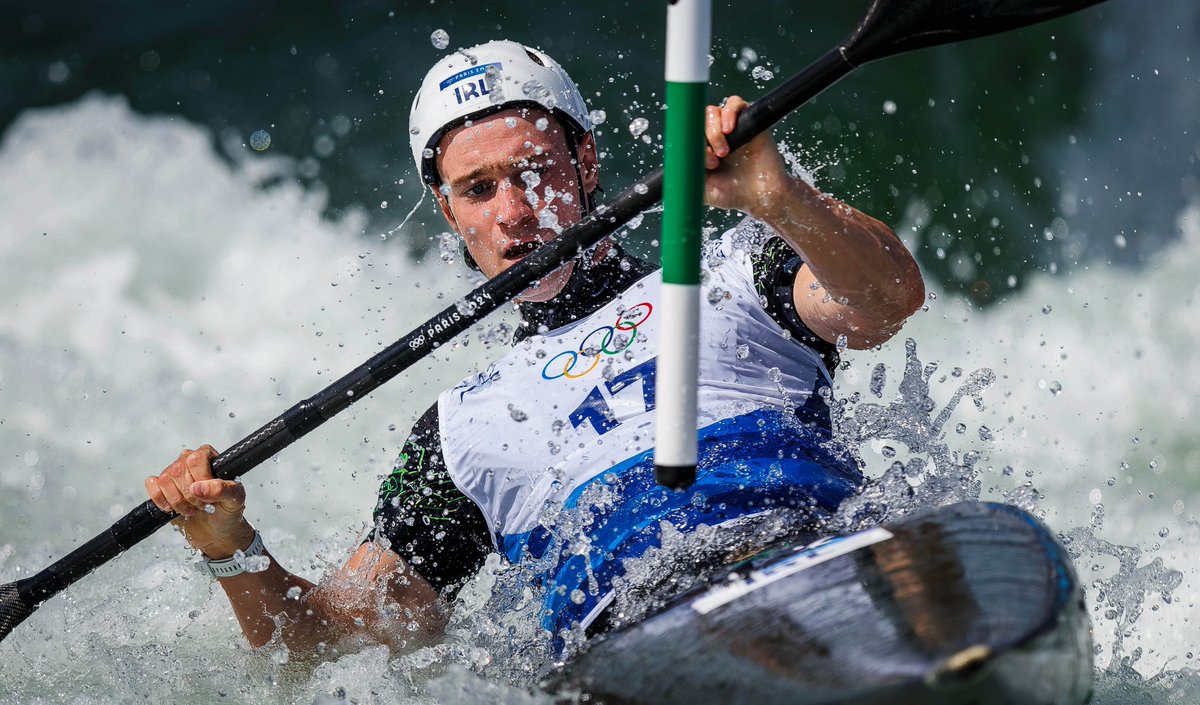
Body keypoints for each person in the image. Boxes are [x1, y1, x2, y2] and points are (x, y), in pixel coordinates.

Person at [144, 40, 924, 657]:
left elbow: (887, 299)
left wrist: (777, 199)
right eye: (479, 190)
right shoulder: (457, 432)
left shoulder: (735, 269)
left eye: (533, 172)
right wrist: (231, 549)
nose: (516, 211)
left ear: (584, 166)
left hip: (812, 554)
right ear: (451, 215)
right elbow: (327, 644)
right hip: (633, 640)